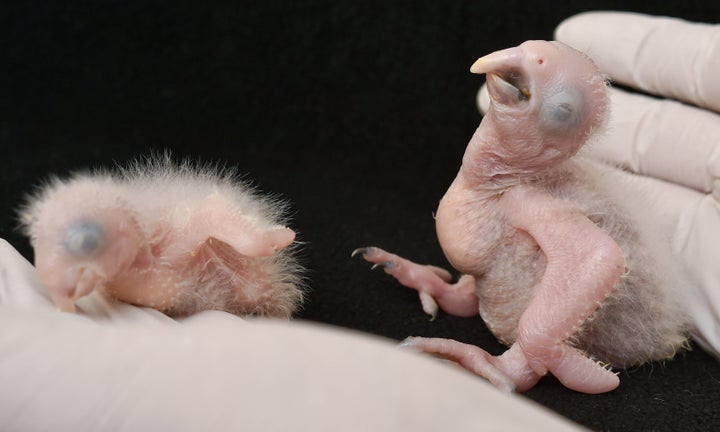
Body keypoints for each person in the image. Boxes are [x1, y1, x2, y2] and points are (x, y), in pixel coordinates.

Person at [1, 11, 717, 430]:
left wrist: (529, 348)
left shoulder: (532, 192)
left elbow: (597, 261)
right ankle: (478, 301)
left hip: (569, 340)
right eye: (530, 64)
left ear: (565, 137)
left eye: (557, 107)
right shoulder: (506, 177)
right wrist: (474, 290)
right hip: (496, 284)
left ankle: (517, 344)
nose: (525, 69)